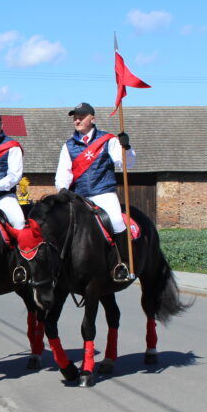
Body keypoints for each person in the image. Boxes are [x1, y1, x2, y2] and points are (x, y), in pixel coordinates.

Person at [54, 102, 135, 282]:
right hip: (79, 196)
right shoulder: (68, 146)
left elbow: (126, 164)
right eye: (75, 117)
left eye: (81, 117)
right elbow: (63, 174)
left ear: (93, 118)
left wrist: (126, 148)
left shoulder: (108, 140)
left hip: (103, 193)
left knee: (116, 221)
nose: (77, 120)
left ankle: (123, 263)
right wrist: (63, 190)